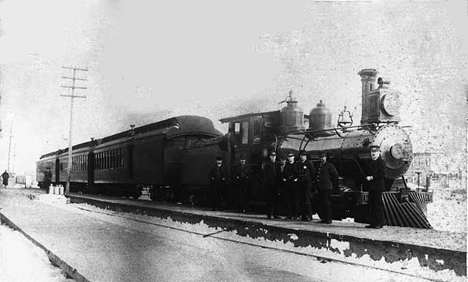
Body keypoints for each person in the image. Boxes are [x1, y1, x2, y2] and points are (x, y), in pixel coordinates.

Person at [365, 145, 386, 229]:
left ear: (378, 153)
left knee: (378, 205)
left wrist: (372, 177)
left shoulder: (382, 162)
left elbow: (382, 174)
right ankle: (373, 222)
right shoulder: (370, 162)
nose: (373, 155)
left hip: (378, 187)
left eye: (375, 153)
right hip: (371, 187)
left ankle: (379, 223)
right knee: (371, 204)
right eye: (372, 153)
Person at [315, 152, 339, 224]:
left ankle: (328, 219)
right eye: (321, 157)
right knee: (321, 203)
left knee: (326, 203)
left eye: (323, 157)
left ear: (326, 158)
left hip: (327, 187)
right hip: (320, 187)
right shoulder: (319, 166)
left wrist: (330, 182)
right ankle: (323, 218)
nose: (321, 158)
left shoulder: (329, 165)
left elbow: (335, 174)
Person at [297, 150, 316, 221]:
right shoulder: (299, 164)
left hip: (307, 184)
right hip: (301, 184)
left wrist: (313, 183)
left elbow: (313, 173)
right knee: (302, 200)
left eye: (304, 155)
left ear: (306, 156)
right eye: (301, 155)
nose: (302, 157)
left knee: (307, 200)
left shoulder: (309, 163)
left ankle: (309, 216)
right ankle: (303, 215)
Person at [262, 151, 281, 219]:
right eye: (272, 156)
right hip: (269, 185)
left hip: (276, 184)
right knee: (269, 200)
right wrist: (265, 184)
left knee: (276, 200)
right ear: (270, 157)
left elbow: (279, 174)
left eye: (274, 156)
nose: (273, 157)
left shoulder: (277, 164)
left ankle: (276, 214)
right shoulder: (267, 165)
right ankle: (269, 214)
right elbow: (264, 175)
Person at [282, 152, 299, 220]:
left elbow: (298, 173)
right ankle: (289, 214)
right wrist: (284, 178)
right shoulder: (287, 165)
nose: (290, 158)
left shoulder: (296, 165)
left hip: (295, 185)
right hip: (288, 184)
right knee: (288, 200)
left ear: (293, 157)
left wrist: (296, 178)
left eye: (291, 157)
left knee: (295, 200)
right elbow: (284, 173)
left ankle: (295, 215)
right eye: (289, 157)